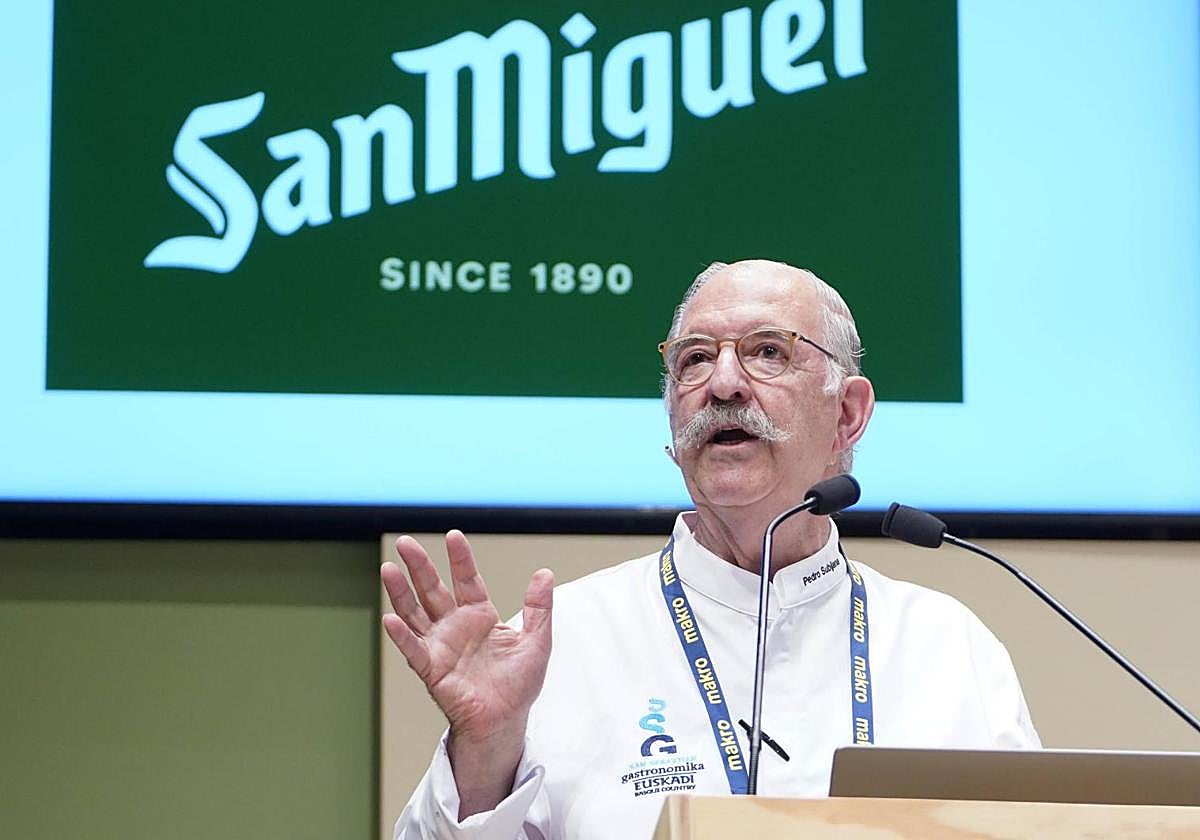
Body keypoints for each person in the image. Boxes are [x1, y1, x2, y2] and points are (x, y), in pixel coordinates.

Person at [381, 259, 1040, 840]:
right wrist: (486, 750)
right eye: (694, 358)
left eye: (768, 352)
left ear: (847, 414)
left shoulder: (950, 648)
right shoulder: (558, 645)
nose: (723, 383)